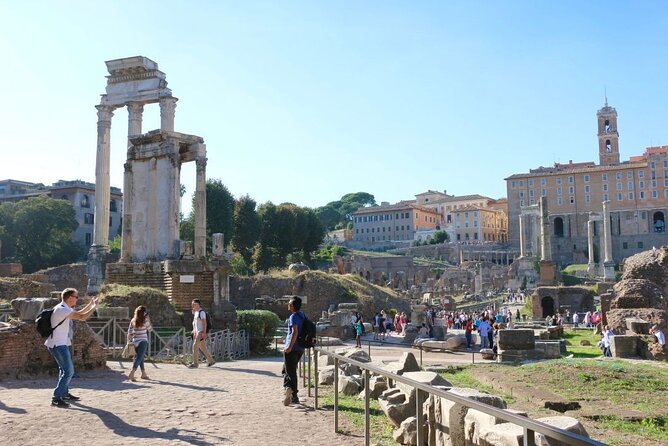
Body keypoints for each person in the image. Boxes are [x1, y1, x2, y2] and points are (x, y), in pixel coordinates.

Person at [45, 288, 98, 408]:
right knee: (69, 371)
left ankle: (64, 393)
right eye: (76, 297)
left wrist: (90, 304)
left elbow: (79, 313)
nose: (77, 299)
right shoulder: (61, 309)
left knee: (64, 370)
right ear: (69, 298)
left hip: (60, 343)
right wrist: (94, 307)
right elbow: (82, 317)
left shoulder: (64, 308)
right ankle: (56, 398)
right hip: (58, 345)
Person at [282, 296, 305, 405]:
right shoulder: (302, 315)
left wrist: (289, 347)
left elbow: (294, 332)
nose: (288, 305)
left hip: (293, 348)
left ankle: (293, 394)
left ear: (292, 306)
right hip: (300, 347)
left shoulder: (293, 317)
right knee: (287, 370)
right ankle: (289, 390)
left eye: (289, 303)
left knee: (290, 372)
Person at [127, 305, 152, 381]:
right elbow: (150, 329)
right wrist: (148, 319)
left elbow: (129, 332)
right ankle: (132, 372)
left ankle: (143, 374)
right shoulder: (145, 321)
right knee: (139, 357)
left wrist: (129, 341)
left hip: (135, 342)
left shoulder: (133, 320)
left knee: (141, 357)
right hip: (143, 341)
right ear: (144, 313)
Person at [188, 299, 215, 368]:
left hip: (201, 332)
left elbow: (204, 323)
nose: (193, 305)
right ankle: (211, 361)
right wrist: (194, 331)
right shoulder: (196, 312)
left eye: (194, 304)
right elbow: (195, 323)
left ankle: (195, 363)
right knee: (203, 348)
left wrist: (204, 332)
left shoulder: (201, 312)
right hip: (197, 332)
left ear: (198, 304)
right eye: (192, 304)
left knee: (195, 346)